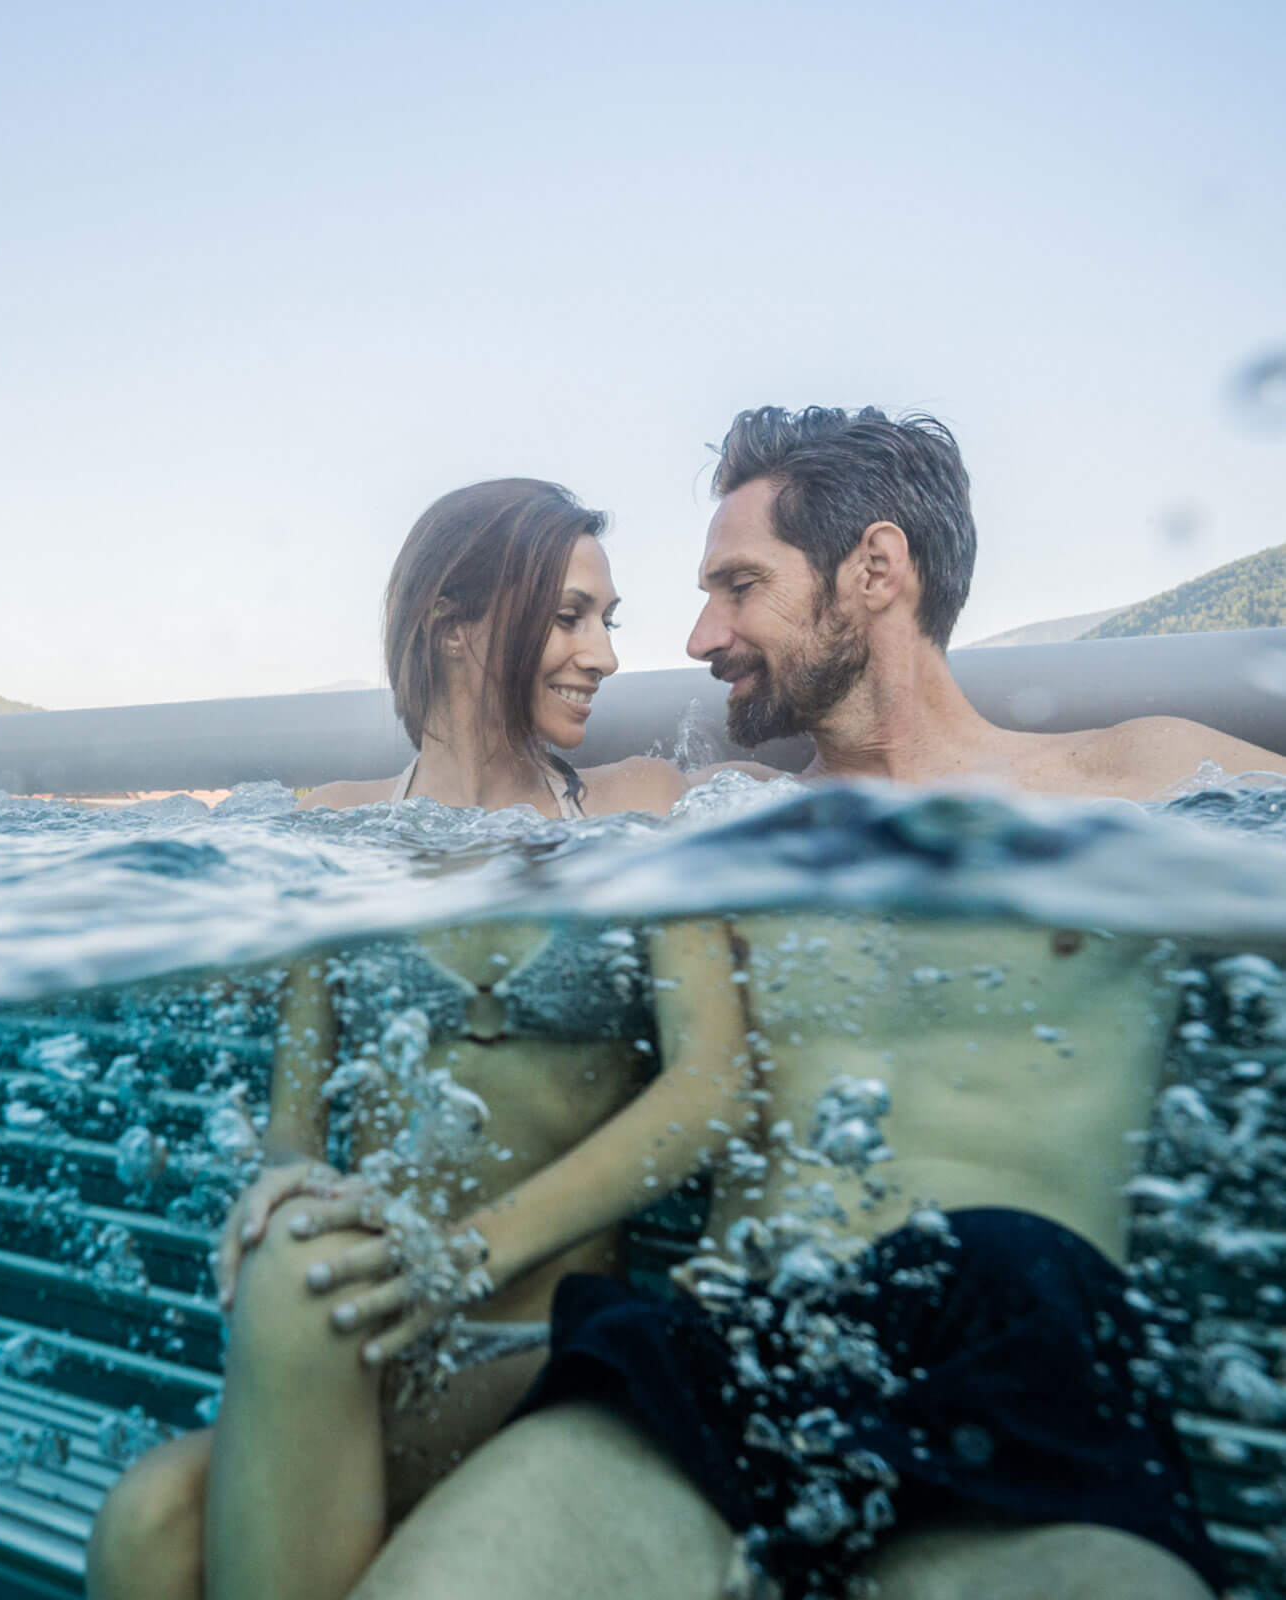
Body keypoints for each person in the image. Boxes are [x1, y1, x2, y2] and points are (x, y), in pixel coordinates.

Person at [344, 409, 1286, 1600]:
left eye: (739, 585)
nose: (700, 635)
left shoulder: (1135, 781)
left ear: (876, 571)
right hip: (730, 1336)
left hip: (1020, 1352)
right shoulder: (717, 818)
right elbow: (480, 806)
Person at [86, 479, 756, 1600]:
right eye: (570, 615)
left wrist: (468, 1249)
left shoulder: (639, 809)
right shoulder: (335, 827)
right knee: (143, 1527)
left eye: (608, 619)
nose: (603, 653)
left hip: (549, 1352)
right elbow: (297, 1125)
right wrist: (282, 1187)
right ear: (457, 622)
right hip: (378, 1342)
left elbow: (711, 1084)